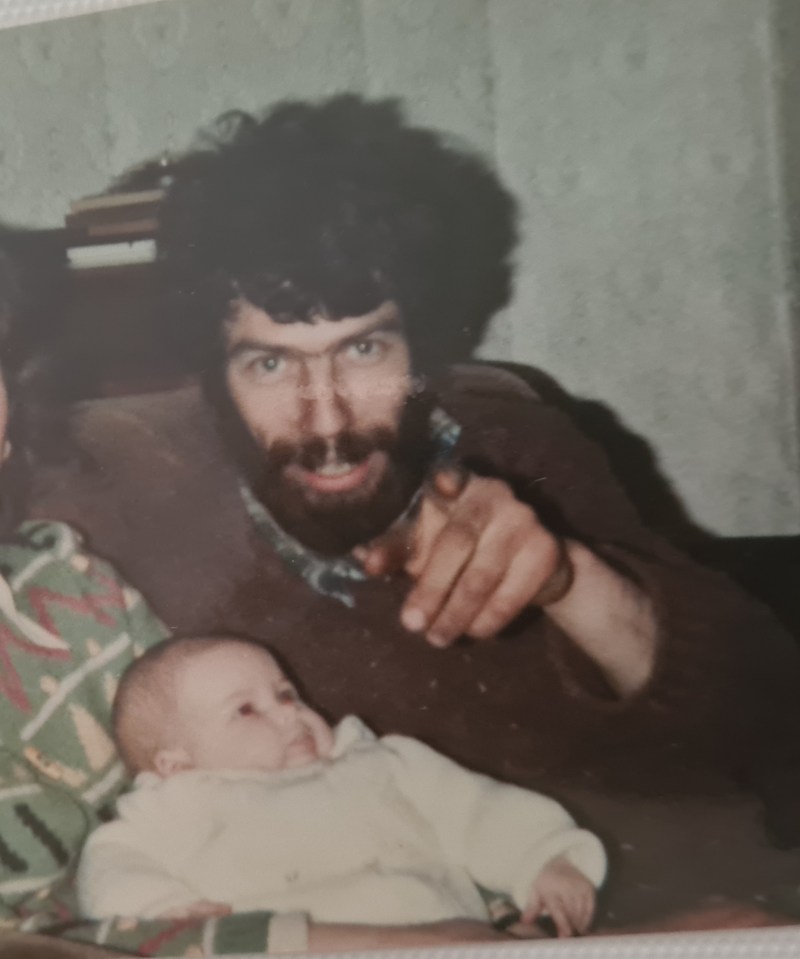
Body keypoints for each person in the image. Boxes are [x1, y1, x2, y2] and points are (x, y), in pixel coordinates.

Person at [31, 95, 800, 928]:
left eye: (363, 349)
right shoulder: (122, 485)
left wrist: (571, 580)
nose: (324, 421)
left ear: (423, 346)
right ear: (210, 370)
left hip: (637, 904)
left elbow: (770, 721)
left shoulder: (521, 441)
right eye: (269, 364)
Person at [78, 636, 606, 938]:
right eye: (246, 710)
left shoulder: (383, 762)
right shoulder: (175, 805)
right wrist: (163, 906)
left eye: (286, 693)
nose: (288, 712)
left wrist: (545, 859)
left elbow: (476, 807)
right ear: (176, 764)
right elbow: (113, 861)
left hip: (452, 934)